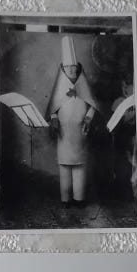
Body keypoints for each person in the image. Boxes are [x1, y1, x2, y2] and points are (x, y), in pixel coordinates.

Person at [46, 35, 97, 207]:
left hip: (80, 134)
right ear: (63, 70)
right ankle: (65, 200)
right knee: (64, 169)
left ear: (78, 69)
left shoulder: (84, 87)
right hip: (64, 135)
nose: (72, 71)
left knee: (80, 168)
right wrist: (54, 119)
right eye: (68, 68)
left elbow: (92, 106)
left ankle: (79, 199)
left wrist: (88, 118)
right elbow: (53, 108)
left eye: (74, 68)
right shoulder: (59, 89)